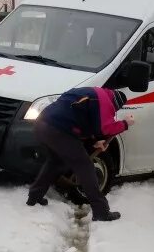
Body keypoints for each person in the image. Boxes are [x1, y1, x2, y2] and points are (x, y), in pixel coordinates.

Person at [27, 87, 133, 221]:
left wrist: (94, 142)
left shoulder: (88, 92)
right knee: (85, 166)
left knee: (56, 162)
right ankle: (101, 211)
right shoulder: (105, 100)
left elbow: (80, 120)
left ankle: (34, 197)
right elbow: (104, 128)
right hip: (58, 131)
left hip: (41, 125)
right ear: (116, 103)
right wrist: (125, 124)